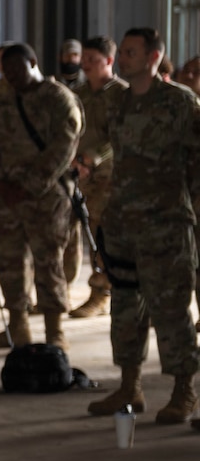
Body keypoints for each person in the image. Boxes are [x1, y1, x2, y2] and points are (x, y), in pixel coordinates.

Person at [86, 27, 200, 424]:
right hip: (123, 224)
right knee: (125, 308)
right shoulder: (116, 103)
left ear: (154, 57)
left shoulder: (179, 102)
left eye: (133, 52)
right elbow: (109, 150)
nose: (125, 58)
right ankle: (129, 387)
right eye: (124, 52)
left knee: (171, 309)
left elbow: (196, 162)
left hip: (165, 223)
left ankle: (184, 390)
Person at [0, 42, 83, 350]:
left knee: (48, 263)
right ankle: (18, 327)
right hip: (8, 200)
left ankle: (54, 333)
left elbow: (64, 148)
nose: (10, 76)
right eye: (5, 71)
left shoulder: (58, 99)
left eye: (16, 69)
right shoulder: (4, 104)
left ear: (33, 62)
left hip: (46, 198)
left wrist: (30, 184)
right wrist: (0, 184)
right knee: (9, 264)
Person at [66, 35, 125, 319]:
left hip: (111, 178)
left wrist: (93, 158)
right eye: (84, 59)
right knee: (89, 234)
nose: (85, 65)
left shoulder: (123, 94)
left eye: (93, 60)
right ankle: (92, 290)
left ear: (109, 61)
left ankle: (103, 293)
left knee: (107, 236)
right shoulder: (79, 94)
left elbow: (123, 137)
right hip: (81, 176)